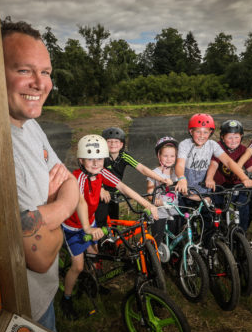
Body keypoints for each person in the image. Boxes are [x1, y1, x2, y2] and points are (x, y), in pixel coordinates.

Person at [2, 21, 79, 332]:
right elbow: (43, 257)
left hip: (45, 296)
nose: (40, 83)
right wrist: (60, 206)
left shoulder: (30, 124)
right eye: (24, 70)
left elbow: (70, 180)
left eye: (45, 72)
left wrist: (49, 210)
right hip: (24, 312)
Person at [61, 135, 159, 319]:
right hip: (73, 226)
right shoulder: (78, 178)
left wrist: (148, 205)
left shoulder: (101, 173)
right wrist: (88, 229)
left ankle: (91, 283)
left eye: (99, 158)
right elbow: (80, 202)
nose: (96, 163)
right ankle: (66, 298)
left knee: (94, 253)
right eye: (90, 159)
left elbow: (123, 187)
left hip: (88, 221)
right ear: (81, 160)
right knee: (78, 266)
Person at [95, 127, 173, 227]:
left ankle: (111, 241)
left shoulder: (123, 156)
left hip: (116, 193)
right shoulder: (100, 157)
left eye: (116, 141)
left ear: (122, 144)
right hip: (101, 194)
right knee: (101, 224)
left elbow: (141, 168)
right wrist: (101, 188)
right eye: (109, 141)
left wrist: (161, 179)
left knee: (114, 223)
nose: (113, 144)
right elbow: (96, 173)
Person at [175, 114, 252, 200]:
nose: (201, 135)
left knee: (207, 212)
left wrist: (244, 178)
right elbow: (180, 164)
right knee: (183, 211)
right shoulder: (185, 144)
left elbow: (228, 162)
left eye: (205, 132)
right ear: (191, 132)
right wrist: (181, 178)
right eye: (198, 132)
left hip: (204, 189)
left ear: (210, 133)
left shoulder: (212, 145)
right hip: (185, 187)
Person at [205, 120, 252, 231]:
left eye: (236, 137)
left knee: (243, 206)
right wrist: (209, 178)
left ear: (241, 137)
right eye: (229, 138)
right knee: (217, 209)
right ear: (222, 137)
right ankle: (218, 233)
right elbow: (213, 164)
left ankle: (241, 233)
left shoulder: (243, 150)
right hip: (219, 185)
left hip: (236, 184)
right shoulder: (217, 147)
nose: (233, 141)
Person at [146, 137, 180, 247]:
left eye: (172, 156)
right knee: (157, 240)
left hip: (174, 211)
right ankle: (153, 260)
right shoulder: (154, 173)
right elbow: (150, 191)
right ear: (159, 156)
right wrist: (155, 200)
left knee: (175, 239)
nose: (169, 159)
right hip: (159, 212)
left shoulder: (177, 173)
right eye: (165, 156)